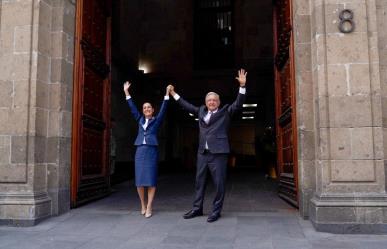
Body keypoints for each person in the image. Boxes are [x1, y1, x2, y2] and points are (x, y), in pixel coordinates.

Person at [168, 69, 247, 222]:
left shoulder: (225, 112)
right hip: (202, 153)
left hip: (219, 153)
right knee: (199, 182)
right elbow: (186, 105)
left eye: (214, 100)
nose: (211, 102)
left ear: (218, 102)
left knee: (219, 184)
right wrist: (173, 94)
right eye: (209, 100)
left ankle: (216, 211)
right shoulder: (201, 111)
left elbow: (238, 104)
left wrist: (242, 86)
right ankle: (197, 209)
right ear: (205, 102)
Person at [123, 81, 171, 218]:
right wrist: (127, 92)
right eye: (144, 108)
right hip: (140, 151)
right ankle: (142, 204)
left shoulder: (157, 120)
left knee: (150, 180)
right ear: (143, 110)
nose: (147, 109)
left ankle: (149, 206)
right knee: (139, 181)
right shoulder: (139, 119)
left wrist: (167, 94)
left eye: (149, 107)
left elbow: (163, 109)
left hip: (151, 152)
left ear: (152, 110)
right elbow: (132, 108)